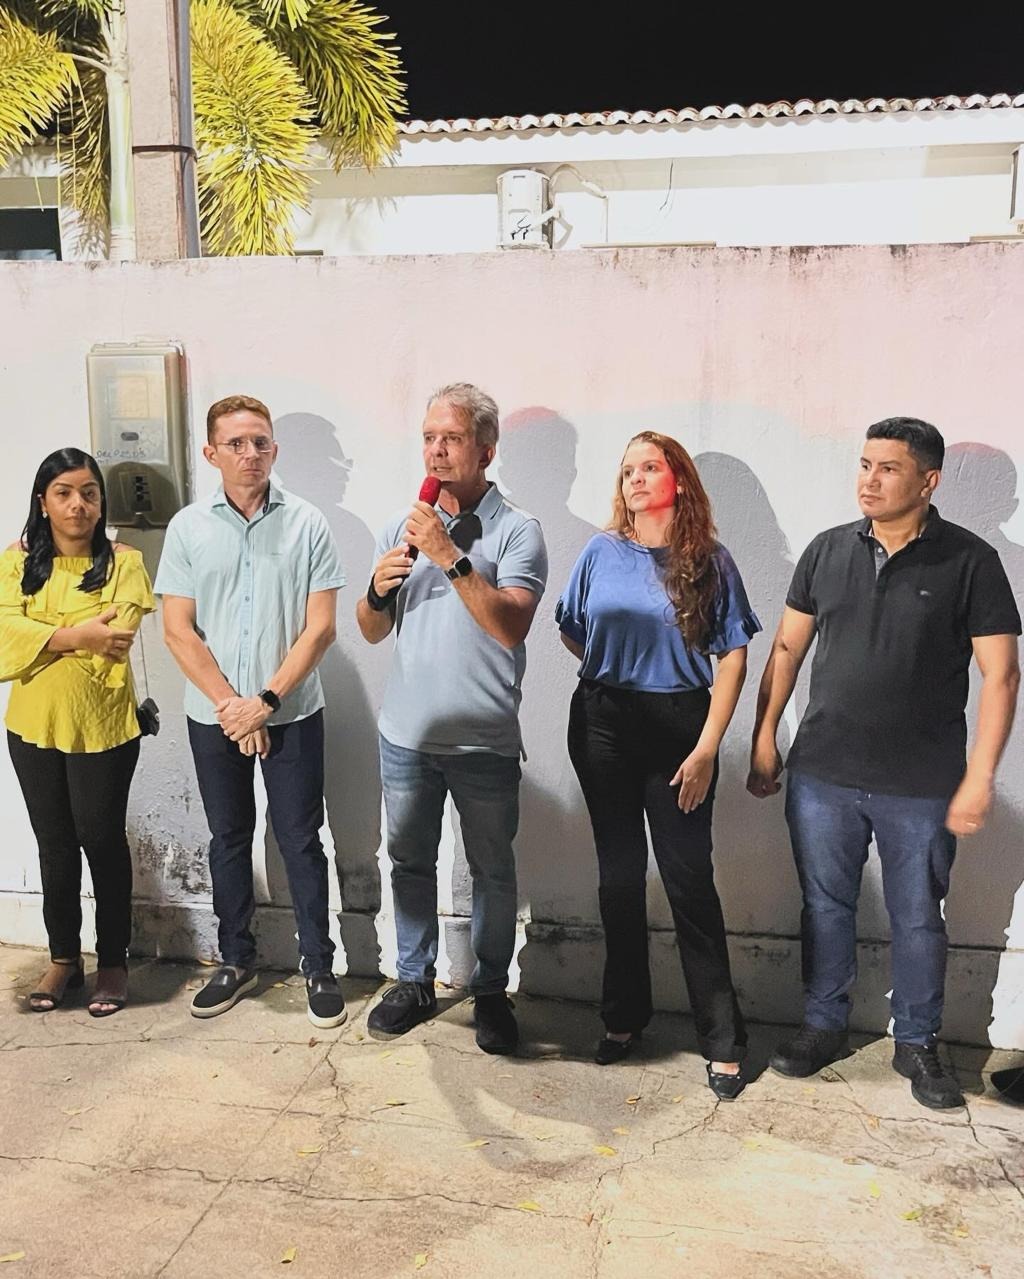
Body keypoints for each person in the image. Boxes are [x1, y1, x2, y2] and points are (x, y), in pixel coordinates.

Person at [748, 417, 1021, 1110]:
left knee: (919, 916)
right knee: (824, 907)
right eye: (865, 465)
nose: (869, 480)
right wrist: (764, 735)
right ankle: (822, 1025)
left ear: (929, 481)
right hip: (822, 773)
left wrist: (980, 776)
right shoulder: (826, 550)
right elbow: (786, 649)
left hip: (923, 784)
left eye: (888, 468)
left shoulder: (971, 561)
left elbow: (1001, 675)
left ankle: (919, 1042)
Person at [556, 431, 761, 1099]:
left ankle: (723, 1040)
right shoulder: (600, 552)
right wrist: (618, 672)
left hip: (680, 729)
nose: (636, 479)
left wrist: (706, 747)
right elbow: (574, 628)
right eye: (627, 471)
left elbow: (733, 657)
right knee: (618, 879)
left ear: (679, 480)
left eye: (650, 467)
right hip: (602, 723)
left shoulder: (710, 561)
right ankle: (623, 1019)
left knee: (688, 882)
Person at [357, 383, 547, 1055]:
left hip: (483, 739)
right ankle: (413, 980)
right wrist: (377, 589)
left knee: (492, 870)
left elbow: (509, 626)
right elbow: (371, 630)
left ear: (486, 450)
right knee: (409, 861)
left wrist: (449, 554)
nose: (437, 450)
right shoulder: (402, 525)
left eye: (453, 438)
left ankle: (490, 991)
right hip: (407, 735)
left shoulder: (518, 530)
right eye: (429, 438)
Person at [156, 395, 347, 1028]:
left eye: (260, 442)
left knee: (300, 839)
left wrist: (264, 703)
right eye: (236, 444)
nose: (250, 454)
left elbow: (320, 628)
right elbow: (178, 629)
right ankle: (236, 960)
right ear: (211, 453)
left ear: (274, 450)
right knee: (229, 838)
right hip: (214, 715)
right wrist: (231, 708)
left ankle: (319, 964)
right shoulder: (187, 527)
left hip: (291, 712)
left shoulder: (308, 523)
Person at [0, 448, 154, 1017]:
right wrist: (74, 635)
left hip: (103, 725)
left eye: (89, 493)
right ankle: (63, 957)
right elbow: (2, 639)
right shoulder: (16, 562)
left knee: (102, 839)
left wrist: (38, 635)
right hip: (32, 725)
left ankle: (113, 960)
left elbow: (112, 643)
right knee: (54, 843)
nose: (78, 505)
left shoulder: (125, 563)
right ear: (42, 502)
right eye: (63, 493)